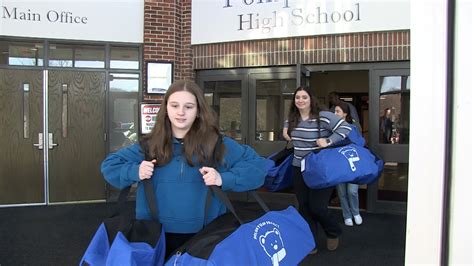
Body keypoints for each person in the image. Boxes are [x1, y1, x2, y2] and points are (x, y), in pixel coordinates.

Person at [101, 80, 267, 258]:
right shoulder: (149, 146)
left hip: (207, 236)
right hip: (155, 237)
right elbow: (110, 166)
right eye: (174, 105)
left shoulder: (217, 144)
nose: (181, 112)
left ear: (198, 111)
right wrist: (135, 171)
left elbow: (258, 168)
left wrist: (224, 179)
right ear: (166, 109)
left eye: (188, 106)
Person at [283, 86, 352, 252]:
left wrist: (328, 141)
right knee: (304, 207)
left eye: (304, 97)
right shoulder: (292, 118)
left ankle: (333, 231)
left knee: (318, 207)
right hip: (298, 168)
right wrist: (286, 134)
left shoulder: (323, 117)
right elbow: (286, 132)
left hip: (319, 169)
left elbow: (346, 128)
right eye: (297, 97)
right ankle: (311, 240)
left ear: (311, 99)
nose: (300, 100)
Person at [334, 102, 363, 226]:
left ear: (345, 114)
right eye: (334, 111)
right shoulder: (332, 129)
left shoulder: (353, 127)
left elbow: (360, 142)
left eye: (337, 111)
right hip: (338, 164)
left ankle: (356, 212)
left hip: (351, 164)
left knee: (352, 190)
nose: (335, 114)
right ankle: (346, 215)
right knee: (341, 192)